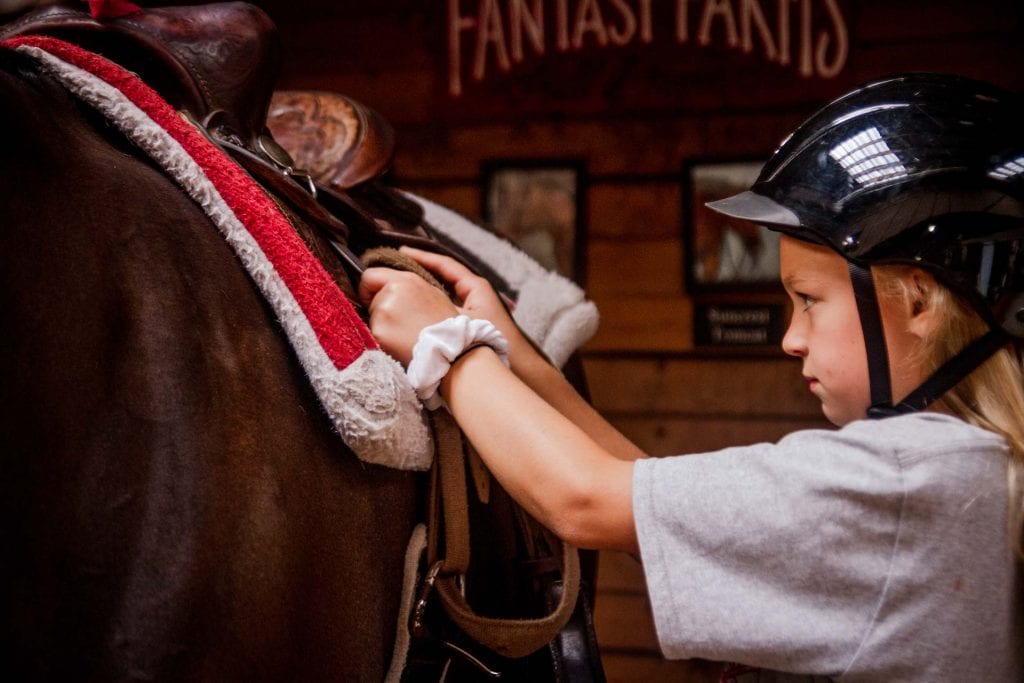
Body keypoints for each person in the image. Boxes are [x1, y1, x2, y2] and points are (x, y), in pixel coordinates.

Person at [359, 74, 1024, 680]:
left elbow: (586, 501)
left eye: (810, 300)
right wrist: (523, 358)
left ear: (917, 300)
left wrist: (443, 344)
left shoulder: (906, 480)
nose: (791, 339)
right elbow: (640, 500)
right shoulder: (972, 470)